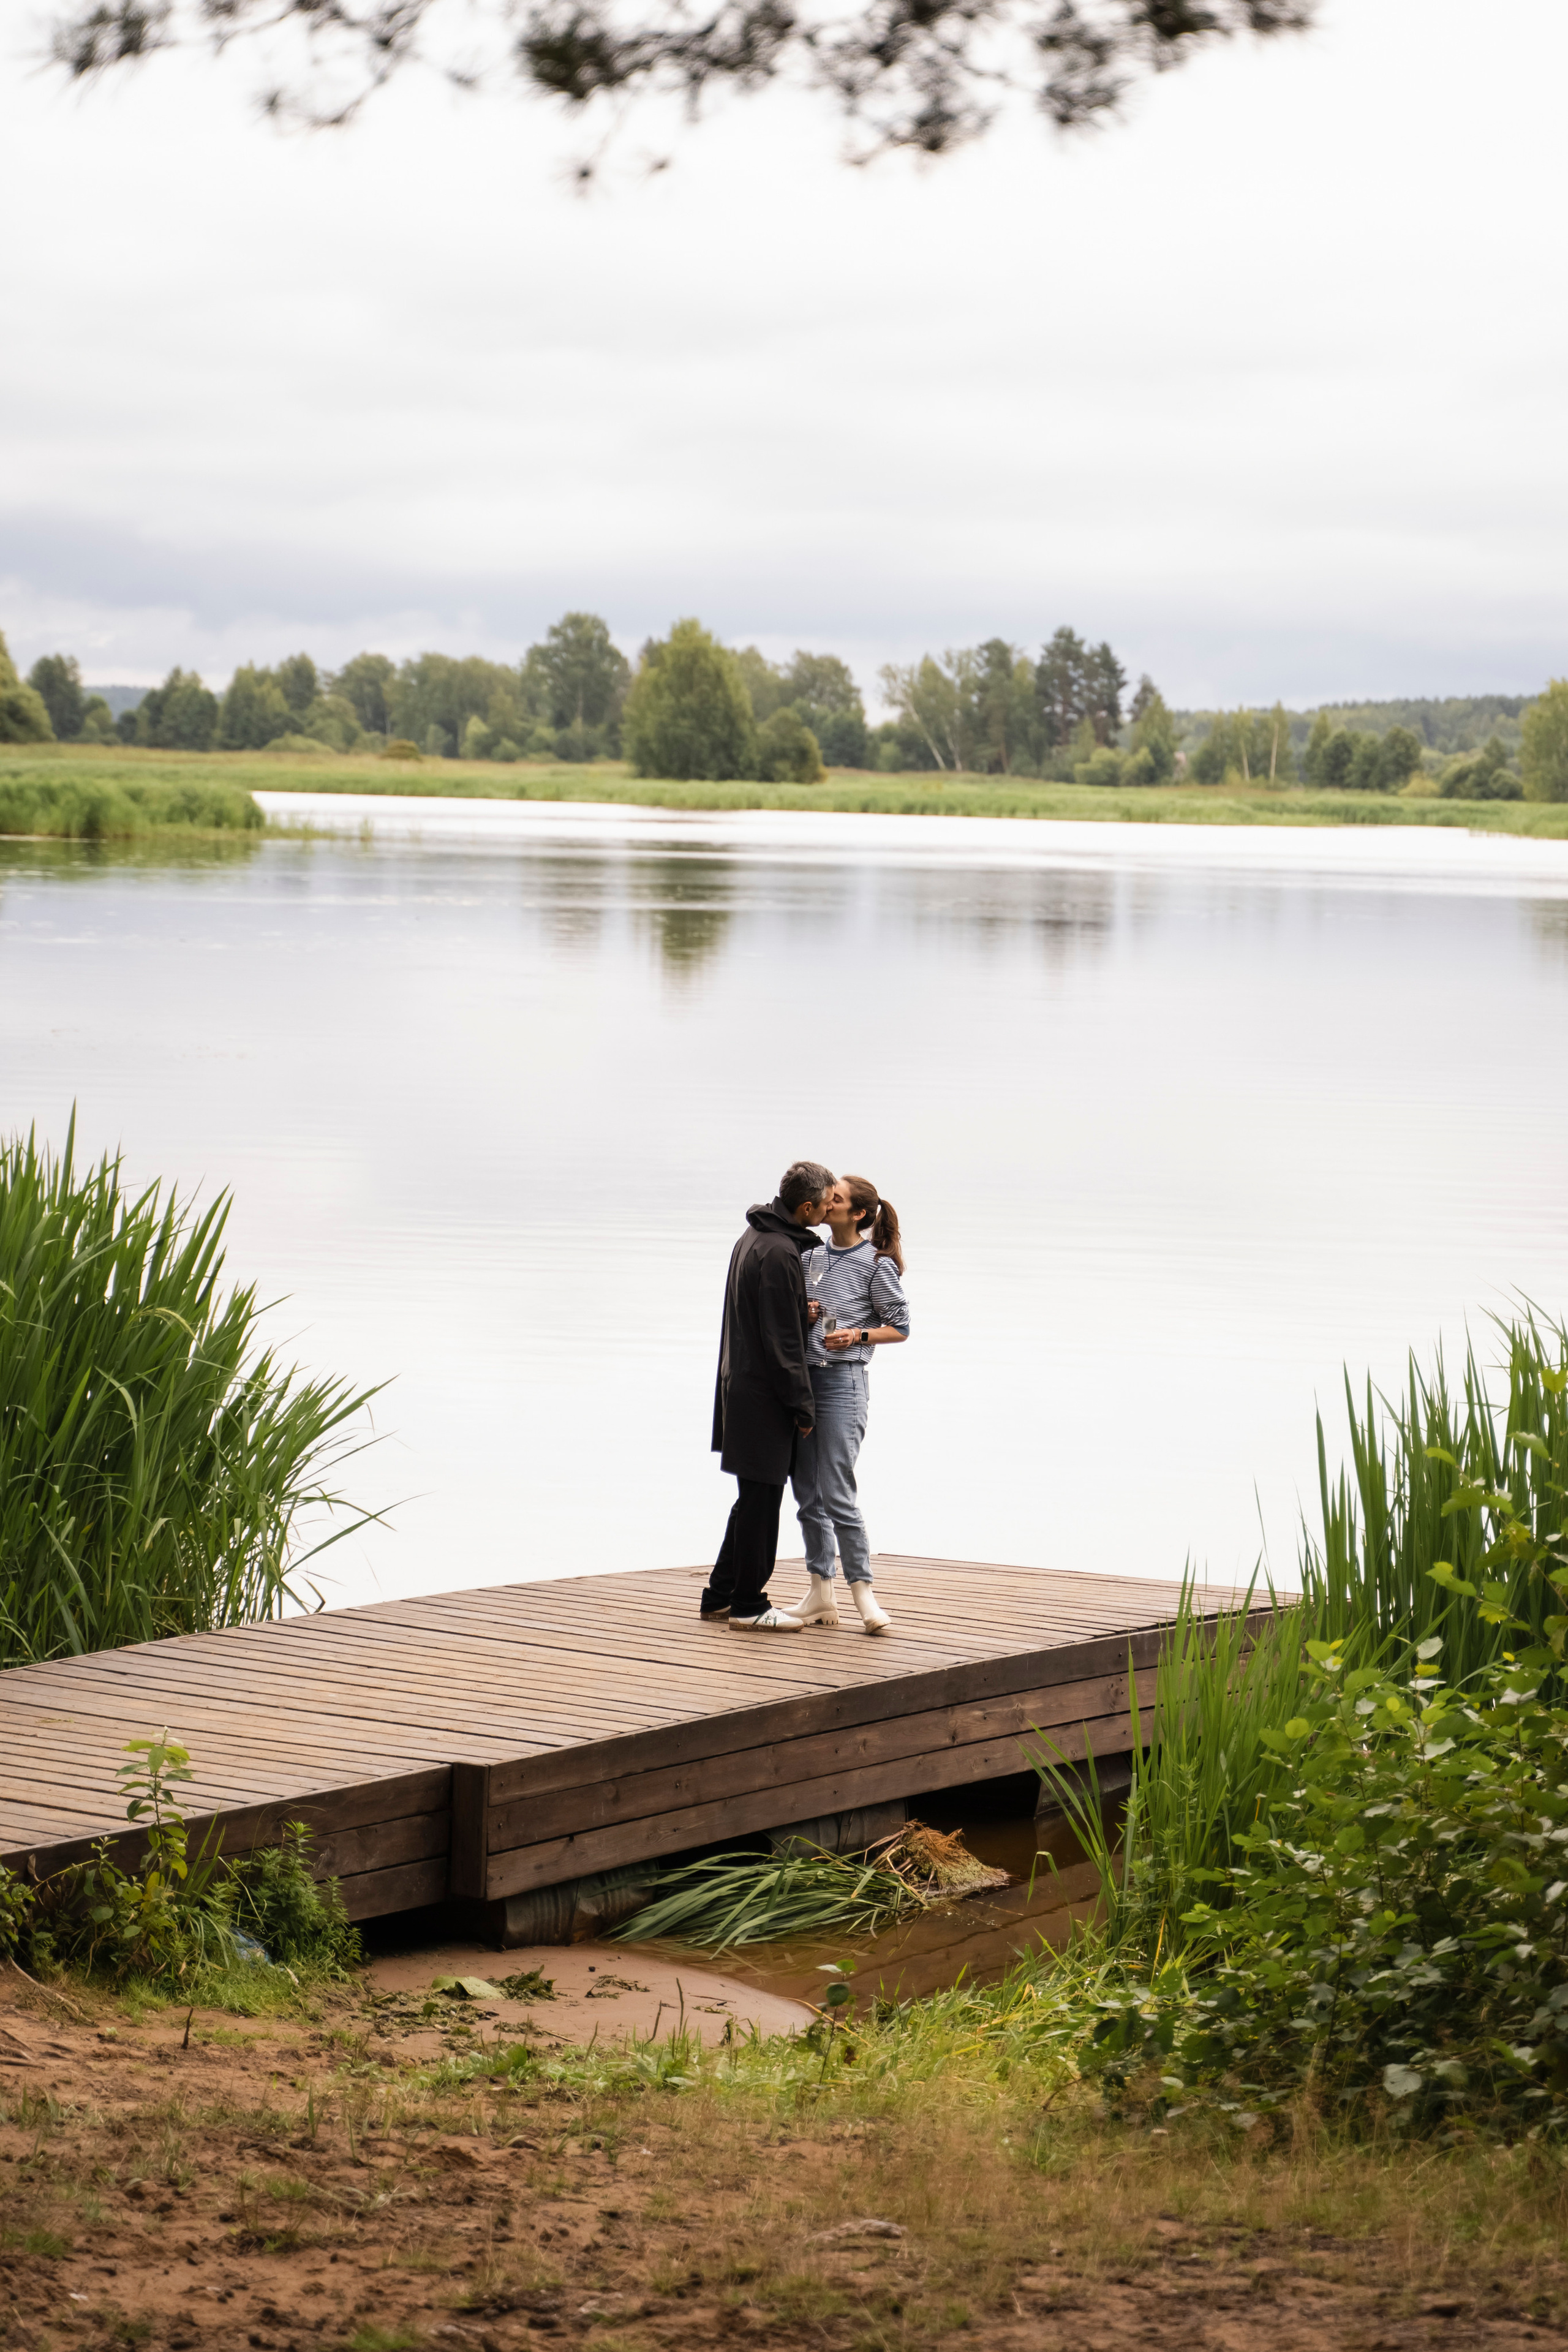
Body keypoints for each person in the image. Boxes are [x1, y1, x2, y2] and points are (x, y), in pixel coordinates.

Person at [704, 1159, 835, 1631]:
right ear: (805, 1205)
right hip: (763, 1396)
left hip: (739, 1385)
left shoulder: (753, 1239)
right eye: (824, 1205)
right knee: (762, 1503)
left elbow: (765, 1317)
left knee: (751, 1499)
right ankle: (748, 1605)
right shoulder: (780, 1253)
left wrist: (799, 1311)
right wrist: (802, 1405)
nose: (827, 1212)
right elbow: (782, 1345)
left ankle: (720, 1596)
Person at [790, 1175, 909, 1635]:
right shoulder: (810, 1255)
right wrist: (808, 1315)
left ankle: (864, 1593)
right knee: (806, 1493)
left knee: (837, 1491)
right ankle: (821, 1593)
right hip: (804, 1383)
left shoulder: (875, 1264)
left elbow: (900, 1327)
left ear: (857, 1213)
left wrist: (857, 1335)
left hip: (844, 1384)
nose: (827, 1203)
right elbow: (796, 1315)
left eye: (835, 1199)